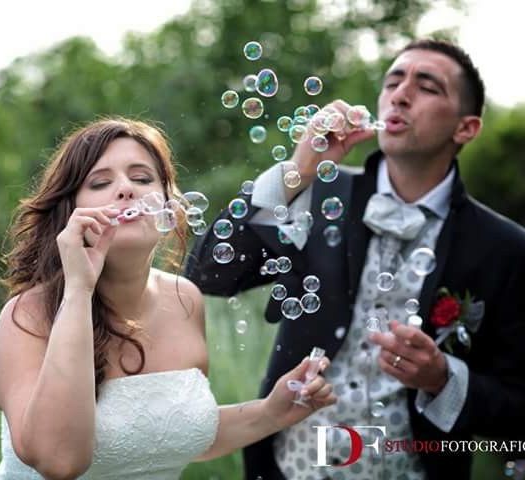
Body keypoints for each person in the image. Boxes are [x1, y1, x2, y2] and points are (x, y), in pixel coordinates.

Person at [186, 39, 525, 480]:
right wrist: (298, 171)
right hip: (289, 468)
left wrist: (444, 378)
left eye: (427, 87)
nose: (400, 94)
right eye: (393, 81)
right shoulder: (318, 190)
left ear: (467, 128)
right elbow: (208, 272)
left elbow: (518, 408)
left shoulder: (504, 247)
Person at [0, 117, 337, 480]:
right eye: (101, 182)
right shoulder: (28, 315)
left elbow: (171, 435)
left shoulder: (184, 299)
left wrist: (270, 413)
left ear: (170, 208)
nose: (125, 190)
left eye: (141, 179)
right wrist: (78, 289)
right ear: (68, 211)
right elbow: (60, 461)